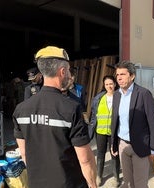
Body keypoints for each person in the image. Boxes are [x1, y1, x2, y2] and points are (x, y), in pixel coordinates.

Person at [12, 46, 97, 188]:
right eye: (69, 71)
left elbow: (25, 153)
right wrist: (93, 185)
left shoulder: (20, 110)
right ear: (62, 72)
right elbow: (85, 160)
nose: (70, 75)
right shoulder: (71, 109)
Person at [111, 61, 154, 188]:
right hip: (122, 144)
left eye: (123, 74)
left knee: (140, 184)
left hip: (140, 145)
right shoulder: (117, 94)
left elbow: (153, 122)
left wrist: (153, 148)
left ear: (132, 76)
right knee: (128, 182)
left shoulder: (143, 94)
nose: (119, 78)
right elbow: (115, 120)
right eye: (117, 75)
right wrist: (113, 143)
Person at [90, 75, 120, 187]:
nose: (109, 86)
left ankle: (116, 178)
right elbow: (94, 114)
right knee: (100, 154)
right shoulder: (99, 98)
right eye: (106, 84)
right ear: (104, 85)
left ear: (115, 84)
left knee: (114, 155)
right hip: (100, 131)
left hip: (114, 132)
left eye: (111, 84)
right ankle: (99, 176)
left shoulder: (119, 97)